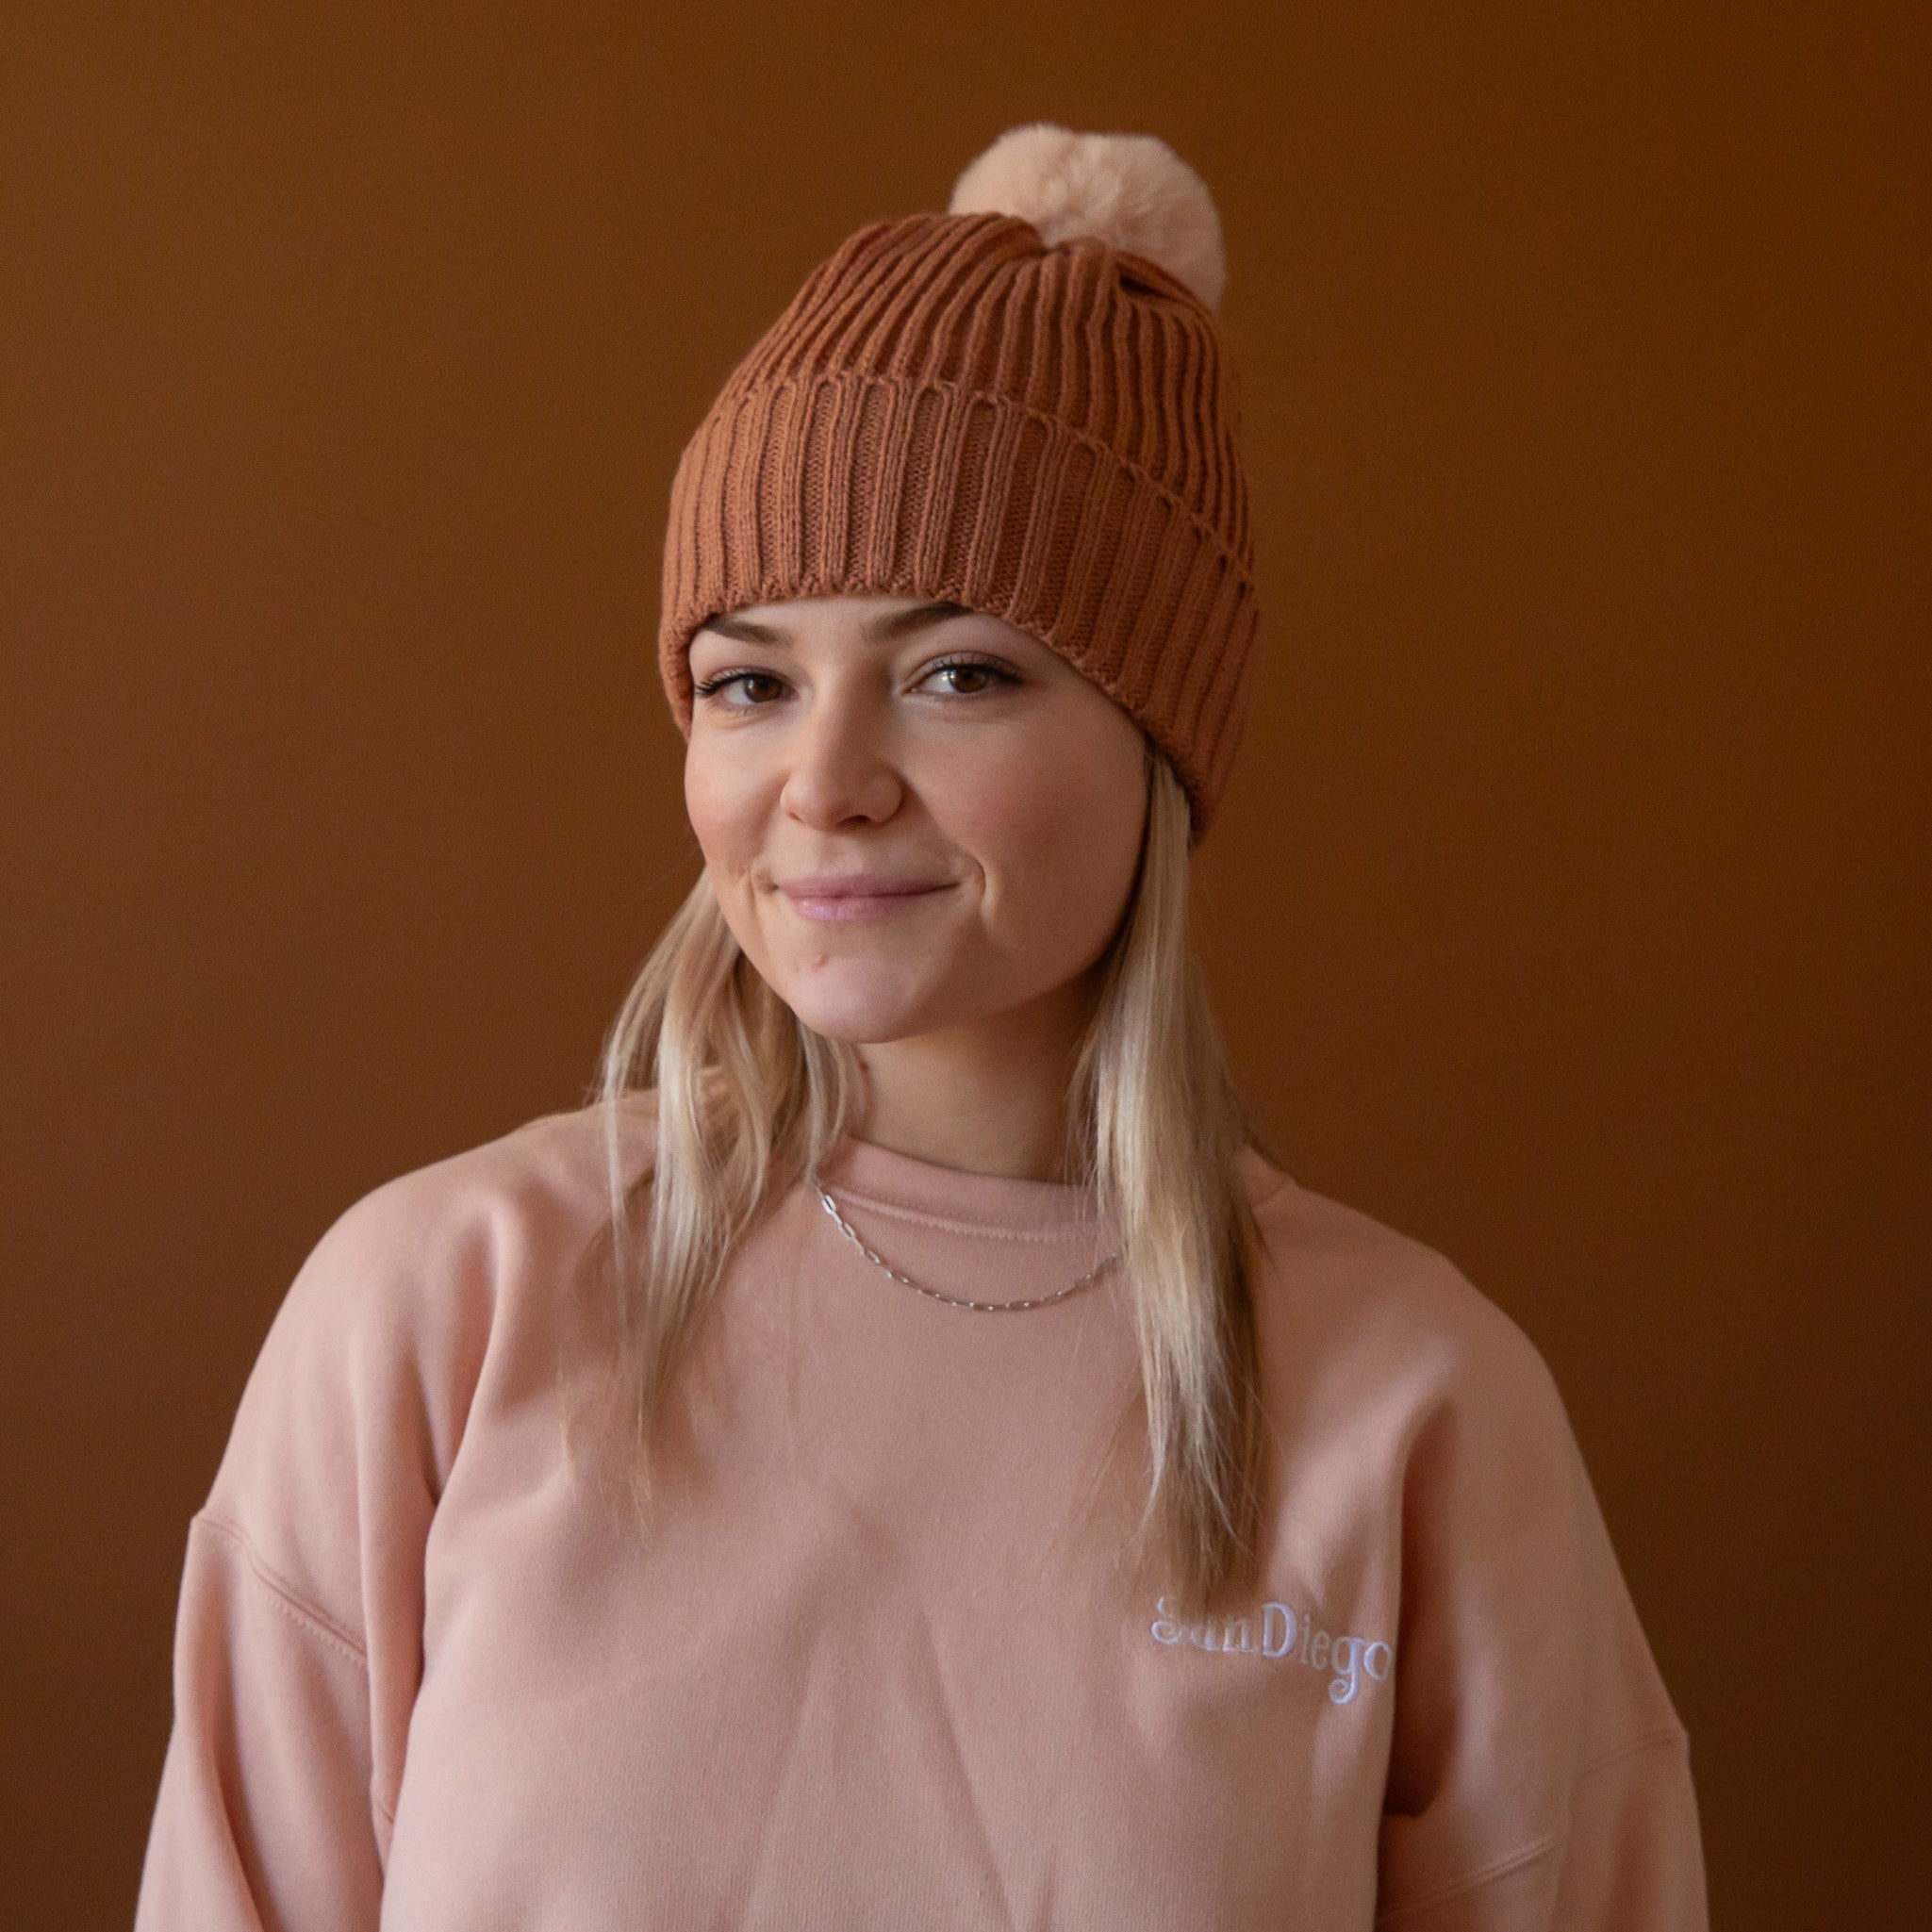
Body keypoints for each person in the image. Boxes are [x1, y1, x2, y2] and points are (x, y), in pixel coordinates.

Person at [134, 124, 1709, 1929]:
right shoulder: (441, 1306)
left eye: (958, 672)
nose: (824, 783)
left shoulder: (1419, 1407)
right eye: (749, 681)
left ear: (1156, 735)